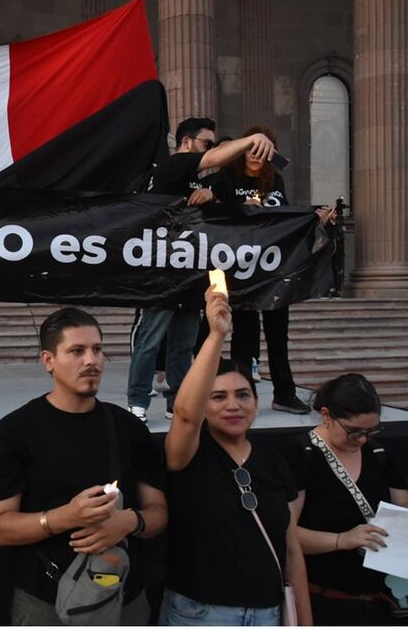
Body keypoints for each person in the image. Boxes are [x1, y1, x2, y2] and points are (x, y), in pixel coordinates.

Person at [0, 307, 168, 625]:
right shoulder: (16, 431)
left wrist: (129, 522)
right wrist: (66, 517)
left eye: (97, 349)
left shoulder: (128, 427)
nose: (91, 361)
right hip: (46, 604)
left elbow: (159, 513)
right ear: (48, 360)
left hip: (124, 601)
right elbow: (0, 527)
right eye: (77, 351)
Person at [161, 285, 311, 625]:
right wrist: (216, 335)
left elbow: (290, 550)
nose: (233, 405)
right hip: (200, 615)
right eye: (218, 397)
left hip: (268, 614)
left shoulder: (274, 462)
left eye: (243, 395)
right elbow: (184, 415)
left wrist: (305, 619)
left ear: (256, 405)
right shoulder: (190, 456)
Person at [127, 117, 277, 423]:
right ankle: (138, 402)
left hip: (191, 270)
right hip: (160, 269)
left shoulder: (203, 179)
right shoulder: (174, 166)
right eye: (207, 144)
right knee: (150, 338)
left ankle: (177, 399)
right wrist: (253, 138)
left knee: (184, 342)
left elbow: (218, 207)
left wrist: (224, 198)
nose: (212, 150)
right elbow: (214, 162)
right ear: (186, 143)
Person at [213, 125, 333, 415]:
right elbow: (211, 217)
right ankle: (245, 394)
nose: (255, 156)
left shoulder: (274, 179)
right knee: (244, 336)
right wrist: (242, 206)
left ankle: (284, 393)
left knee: (278, 335)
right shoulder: (227, 177)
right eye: (251, 149)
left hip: (274, 271)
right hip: (240, 271)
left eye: (262, 151)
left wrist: (313, 220)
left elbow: (286, 220)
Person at [286, 373, 408, 625]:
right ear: (326, 416)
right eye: (354, 431)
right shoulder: (301, 455)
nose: (362, 439)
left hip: (382, 599)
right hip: (326, 600)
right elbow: (285, 531)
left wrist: (402, 523)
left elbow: (405, 501)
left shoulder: (376, 452)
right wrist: (342, 540)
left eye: (371, 430)